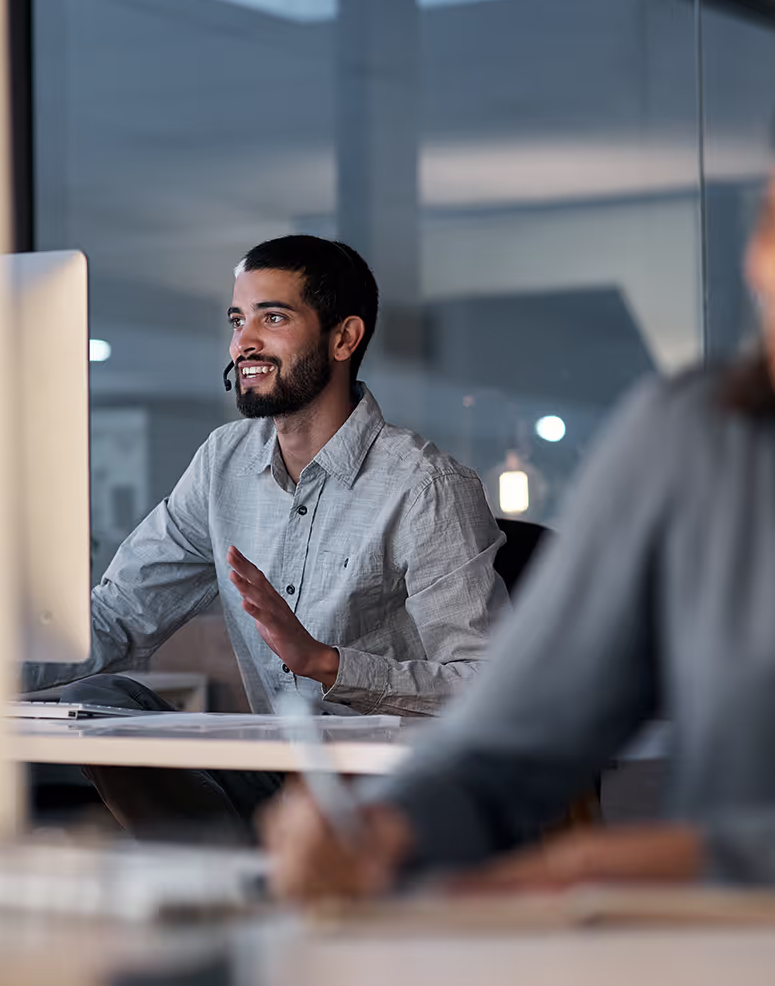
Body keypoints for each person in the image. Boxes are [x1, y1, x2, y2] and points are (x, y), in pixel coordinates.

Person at [263, 178, 775, 898]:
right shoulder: (688, 438)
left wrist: (622, 865)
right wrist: (386, 829)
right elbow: (515, 734)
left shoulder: (422, 482)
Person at [23, 235, 508, 838]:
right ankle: (234, 876)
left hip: (388, 793)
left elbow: (489, 686)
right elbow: (121, 614)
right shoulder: (222, 462)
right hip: (273, 772)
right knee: (104, 699)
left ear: (343, 338)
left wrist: (329, 665)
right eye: (237, 319)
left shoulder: (424, 486)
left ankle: (242, 878)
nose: (243, 342)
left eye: (272, 317)